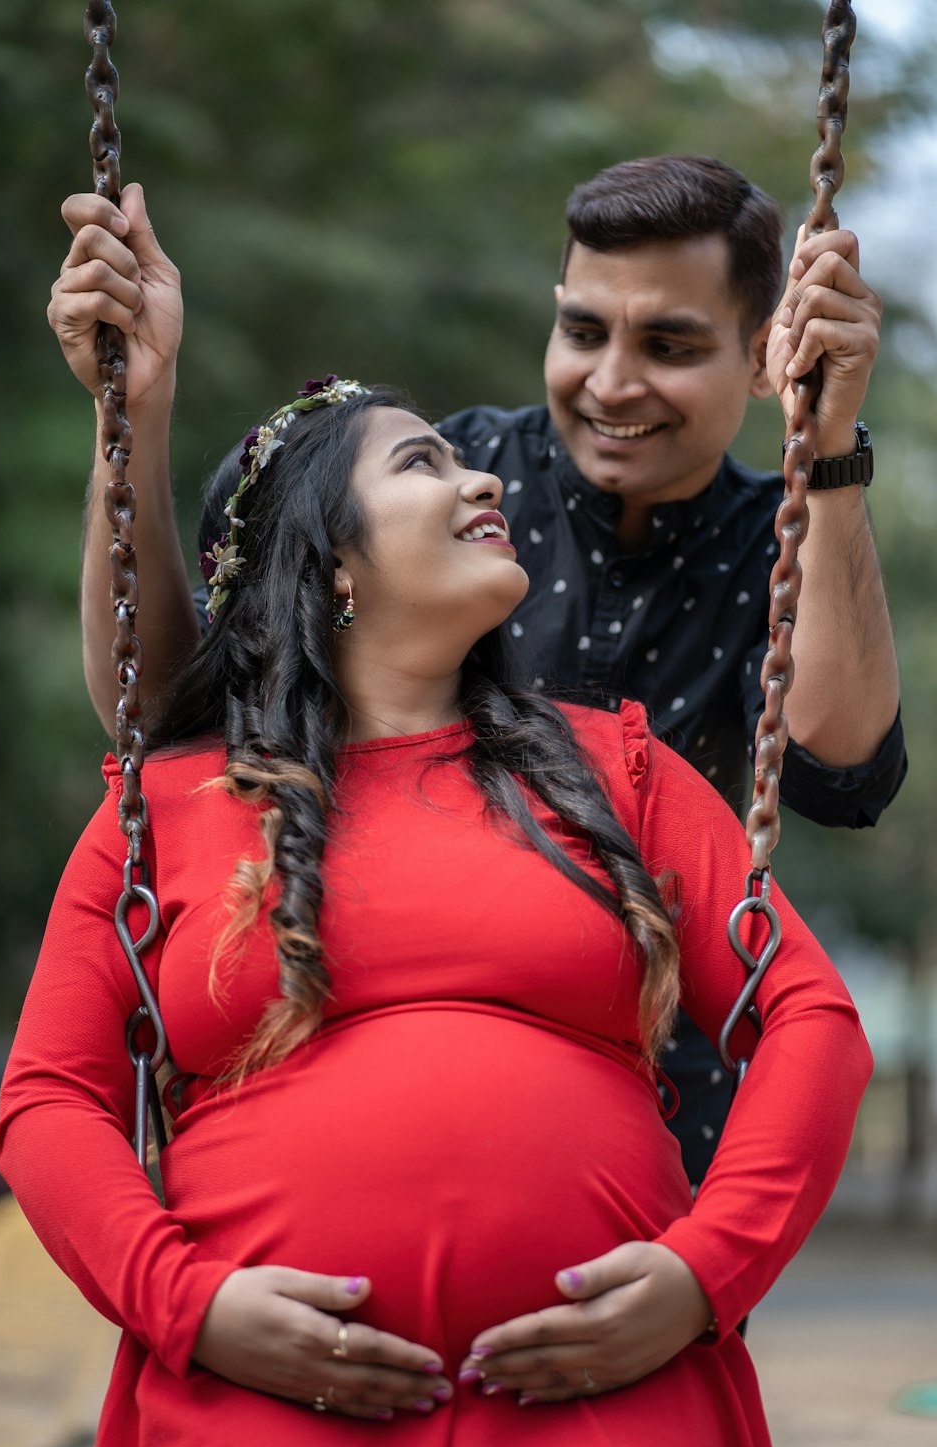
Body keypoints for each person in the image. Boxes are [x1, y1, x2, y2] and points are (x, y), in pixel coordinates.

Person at [0, 375, 872, 1447]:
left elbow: (808, 1018)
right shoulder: (167, 809)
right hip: (263, 1413)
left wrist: (705, 1273)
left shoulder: (620, 772)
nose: (485, 476)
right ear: (329, 564)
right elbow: (49, 1098)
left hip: (605, 1404)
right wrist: (186, 1303)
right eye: (421, 464)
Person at [48, 154, 904, 1191]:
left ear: (768, 356)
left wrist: (830, 457)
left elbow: (842, 762)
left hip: (654, 1118)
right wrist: (128, 415)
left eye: (668, 345)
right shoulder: (450, 495)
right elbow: (185, 714)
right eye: (582, 331)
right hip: (339, 1036)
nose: (611, 381)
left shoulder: (783, 549)